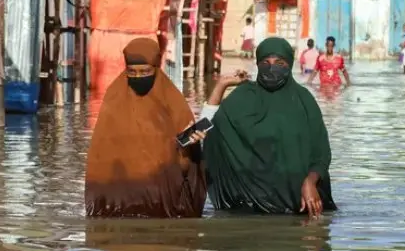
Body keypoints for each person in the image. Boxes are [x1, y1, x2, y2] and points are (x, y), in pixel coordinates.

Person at [192, 37, 336, 217]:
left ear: (289, 65)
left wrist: (310, 181)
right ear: (258, 64)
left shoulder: (303, 100)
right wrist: (222, 85)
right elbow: (199, 132)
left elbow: (322, 152)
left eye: (279, 63)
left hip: (299, 208)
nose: (272, 68)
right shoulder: (243, 97)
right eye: (265, 63)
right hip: (246, 208)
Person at [85, 37, 206, 218]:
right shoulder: (114, 97)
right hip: (118, 206)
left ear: (156, 68)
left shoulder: (172, 100)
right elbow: (101, 154)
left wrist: (191, 142)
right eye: (132, 72)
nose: (138, 77)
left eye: (145, 71)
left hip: (165, 204)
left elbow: (185, 154)